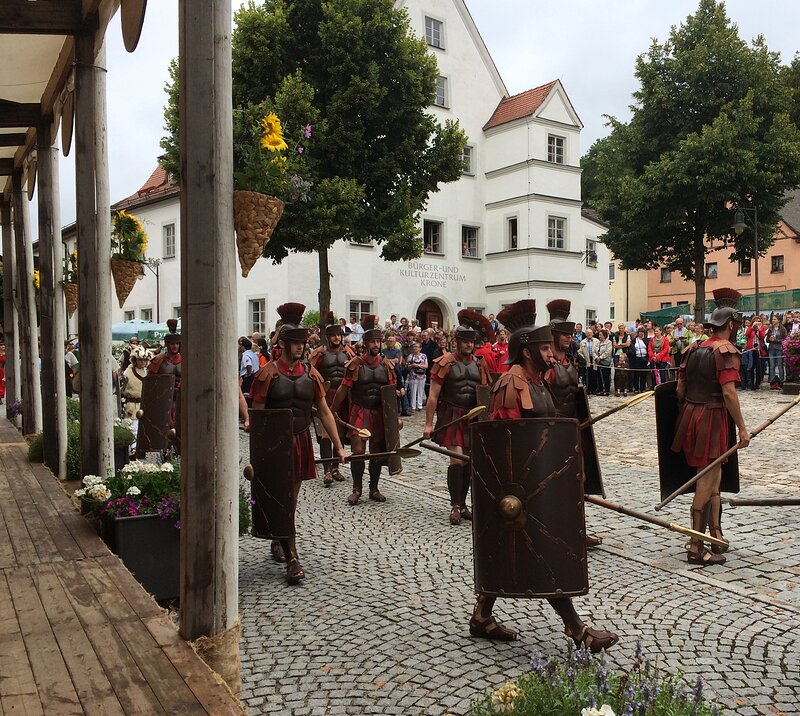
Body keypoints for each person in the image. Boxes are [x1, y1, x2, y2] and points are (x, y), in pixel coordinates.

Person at [469, 299, 618, 652]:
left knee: (512, 552)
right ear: (526, 350)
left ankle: (482, 616)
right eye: (545, 347)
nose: (553, 353)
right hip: (523, 491)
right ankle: (577, 629)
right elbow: (509, 446)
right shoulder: (511, 384)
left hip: (541, 484)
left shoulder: (537, 381)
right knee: (542, 552)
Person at [251, 304, 346, 583]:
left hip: (301, 438)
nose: (301, 348)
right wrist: (259, 453)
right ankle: (292, 558)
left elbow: (325, 411)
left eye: (303, 343)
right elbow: (257, 416)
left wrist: (339, 446)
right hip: (274, 443)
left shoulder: (311, 375)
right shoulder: (266, 375)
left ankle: (281, 541)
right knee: (281, 497)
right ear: (282, 344)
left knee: (290, 499)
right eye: (295, 343)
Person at [671, 288, 750, 566]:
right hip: (712, 419)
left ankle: (714, 536)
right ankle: (695, 546)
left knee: (713, 480)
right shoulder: (725, 351)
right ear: (730, 325)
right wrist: (741, 427)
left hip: (692, 416)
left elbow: (680, 389)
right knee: (706, 481)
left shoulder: (694, 348)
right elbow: (729, 393)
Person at [423, 310, 491, 525]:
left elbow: (486, 392)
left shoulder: (480, 364)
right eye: (465, 341)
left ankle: (463, 505)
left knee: (469, 462)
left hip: (473, 417)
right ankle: (454, 505)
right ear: (457, 342)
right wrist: (428, 423)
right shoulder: (445, 363)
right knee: (457, 460)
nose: (469, 345)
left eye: (472, 342)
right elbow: (433, 396)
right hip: (452, 416)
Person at [332, 315, 396, 506]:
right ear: (366, 344)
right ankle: (356, 489)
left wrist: (394, 419)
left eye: (378, 341)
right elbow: (344, 389)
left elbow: (392, 394)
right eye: (372, 341)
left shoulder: (387, 366)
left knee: (376, 453)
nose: (375, 344)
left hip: (378, 413)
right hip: (359, 412)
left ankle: (374, 488)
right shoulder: (355, 364)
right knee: (358, 451)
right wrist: (332, 411)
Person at [307, 312, 356, 485]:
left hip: (343, 397)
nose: (336, 338)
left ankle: (336, 467)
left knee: (340, 432)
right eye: (333, 335)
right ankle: (327, 470)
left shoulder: (349, 353)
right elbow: (309, 373)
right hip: (325, 396)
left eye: (339, 335)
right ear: (327, 337)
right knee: (326, 433)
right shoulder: (319, 354)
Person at [122, 345, 150, 418]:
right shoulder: (128, 372)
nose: (143, 362)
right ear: (135, 360)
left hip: (145, 406)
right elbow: (122, 390)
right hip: (131, 405)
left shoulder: (148, 372)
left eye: (145, 360)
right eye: (140, 360)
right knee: (133, 428)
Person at [405, 341, 427, 410]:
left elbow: (426, 366)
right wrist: (412, 365)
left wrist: (417, 365)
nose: (415, 348)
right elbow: (407, 366)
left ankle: (420, 405)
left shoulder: (423, 356)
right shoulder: (411, 356)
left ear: (420, 348)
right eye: (414, 347)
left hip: (422, 376)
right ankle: (413, 406)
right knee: (413, 391)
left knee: (420, 390)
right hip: (413, 376)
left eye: (416, 347)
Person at [766, 314, 787, 387]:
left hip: (779, 349)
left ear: (779, 320)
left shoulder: (782, 329)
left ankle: (781, 381)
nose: (773, 320)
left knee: (780, 365)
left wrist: (776, 340)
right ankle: (772, 381)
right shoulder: (770, 329)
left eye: (775, 319)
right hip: (771, 349)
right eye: (772, 319)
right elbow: (767, 339)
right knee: (771, 366)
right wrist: (769, 339)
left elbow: (785, 340)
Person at [578, 328, 599, 394]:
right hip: (587, 359)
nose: (589, 334)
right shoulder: (583, 342)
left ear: (592, 334)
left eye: (590, 333)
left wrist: (596, 357)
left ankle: (594, 389)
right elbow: (580, 351)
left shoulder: (597, 341)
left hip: (594, 359)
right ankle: (588, 389)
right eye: (588, 333)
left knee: (594, 374)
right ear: (586, 334)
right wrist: (583, 359)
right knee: (587, 375)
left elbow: (598, 350)